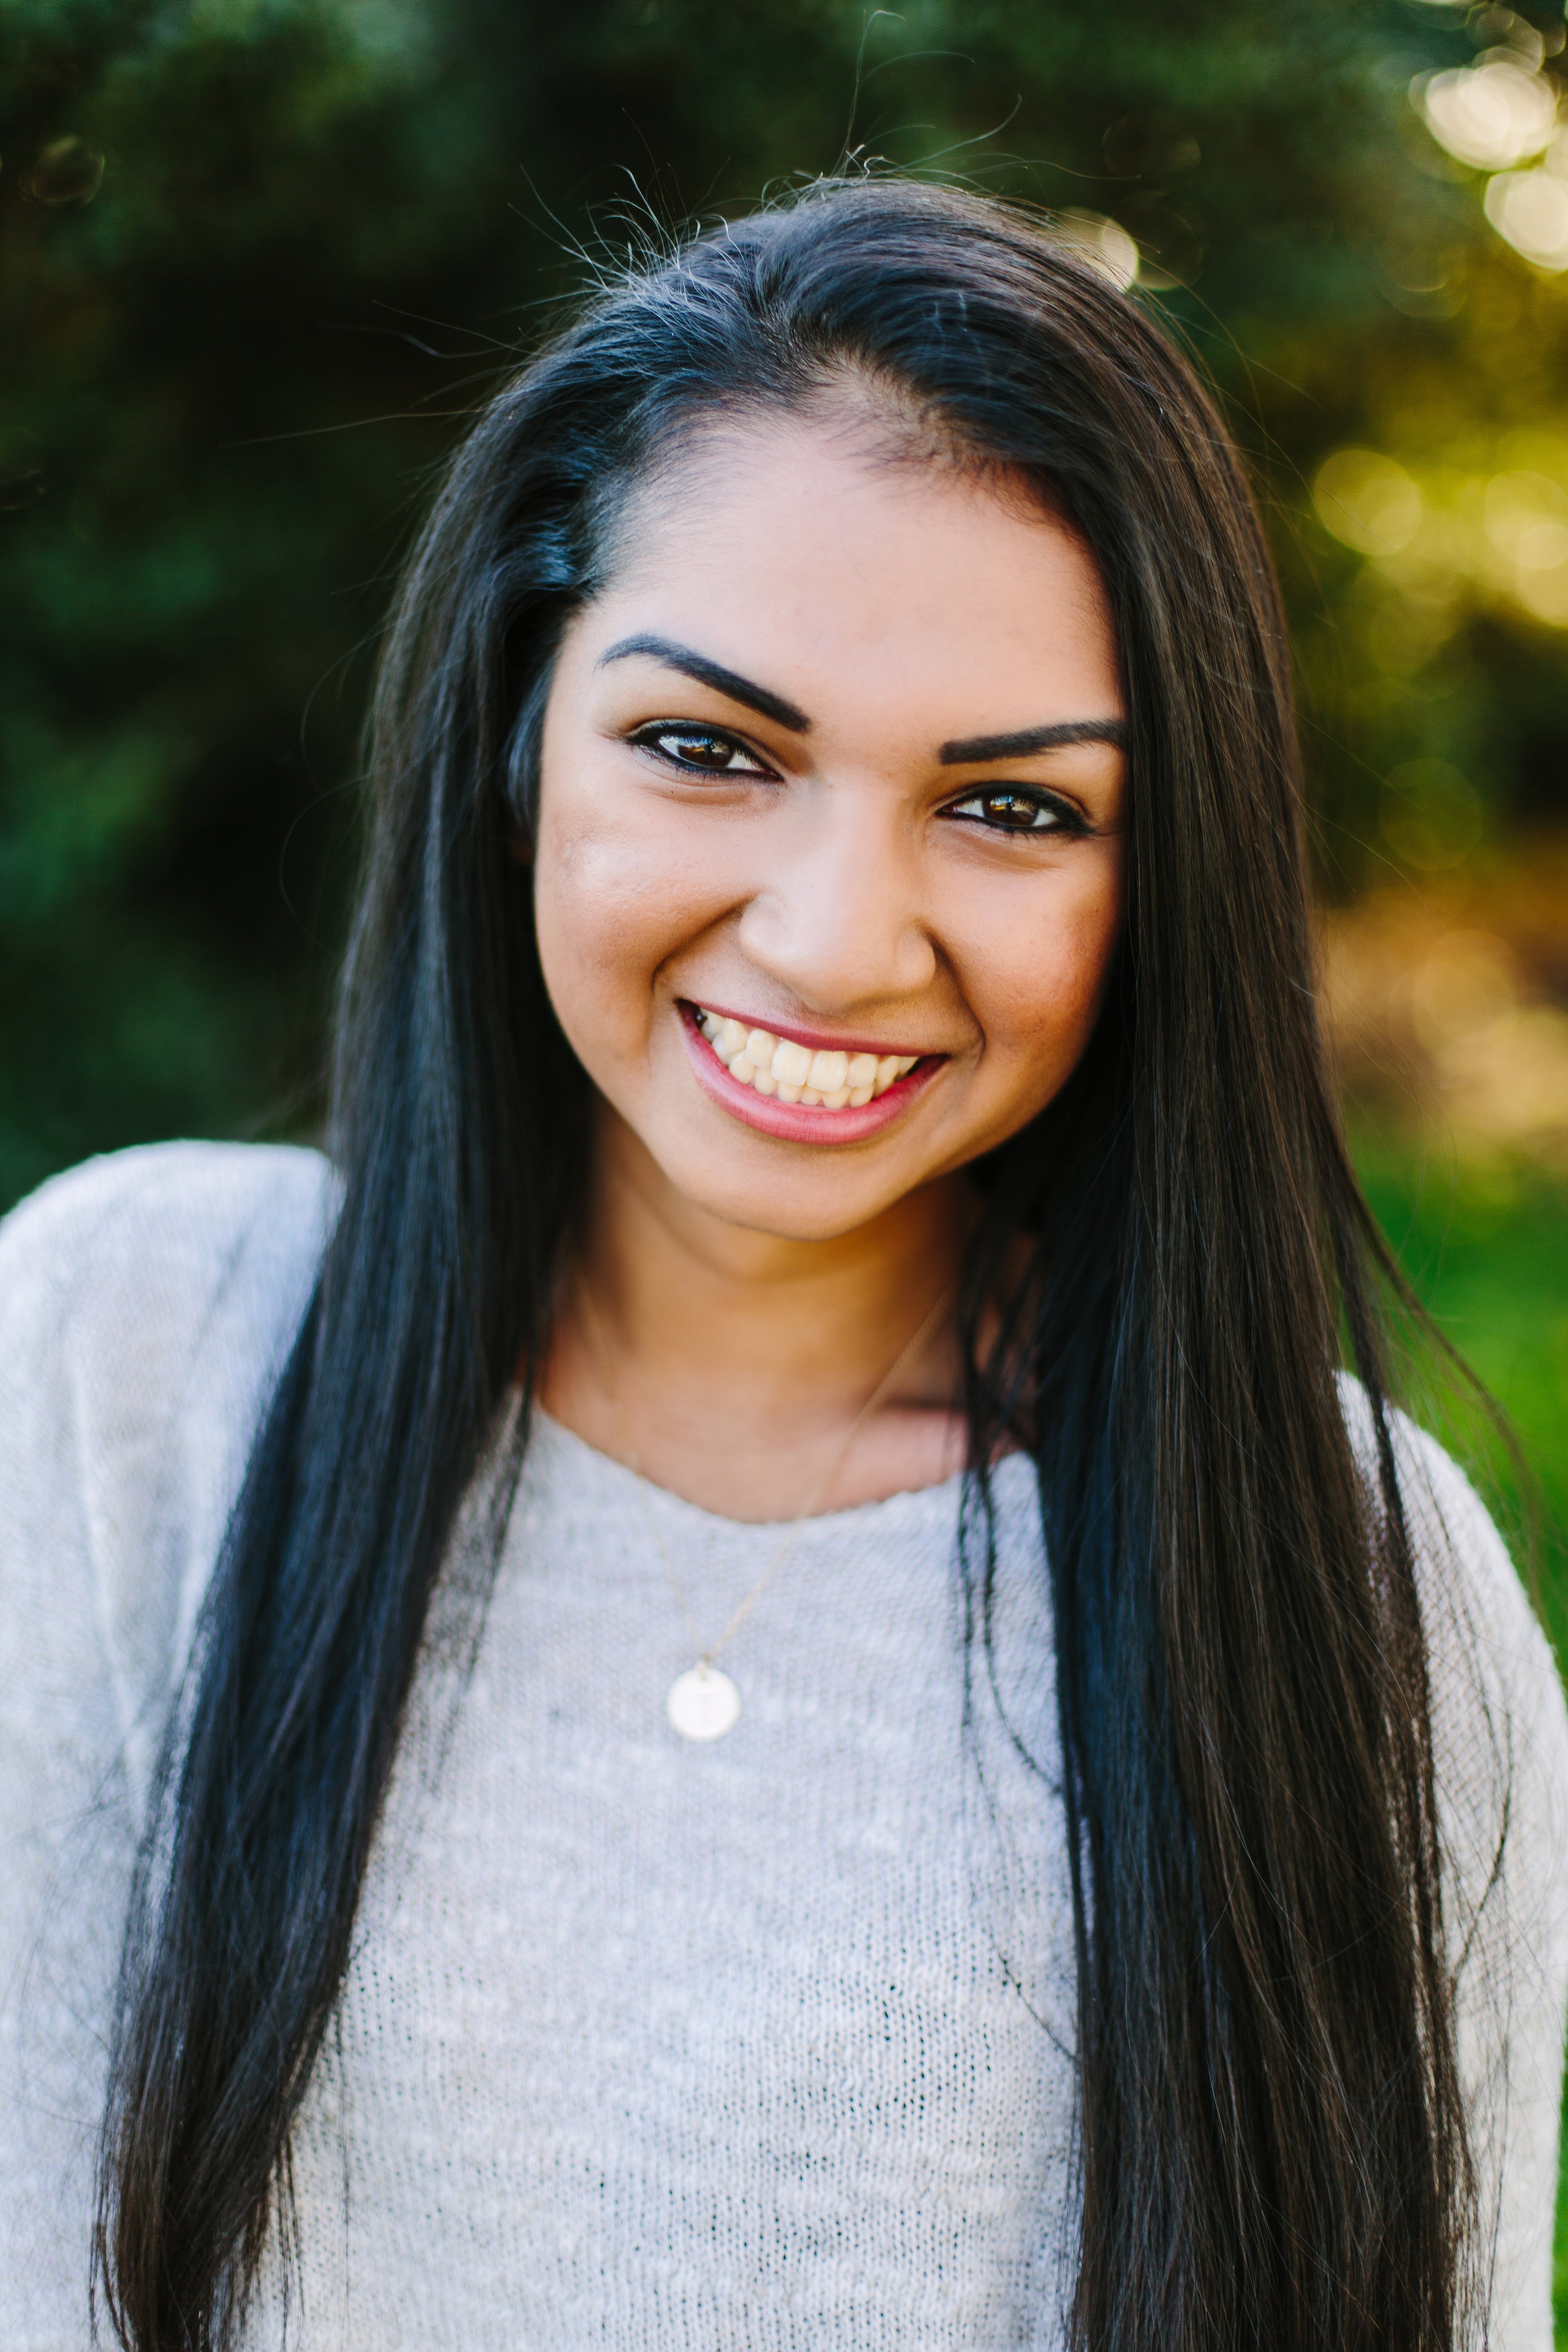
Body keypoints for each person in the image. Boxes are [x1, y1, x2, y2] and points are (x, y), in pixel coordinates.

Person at [2, 177, 1565, 2352]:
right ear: (513, 730)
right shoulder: (123, 1357)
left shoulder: (1342, 1579)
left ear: (1159, 872)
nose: (835, 937)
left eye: (1011, 806)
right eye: (707, 749)